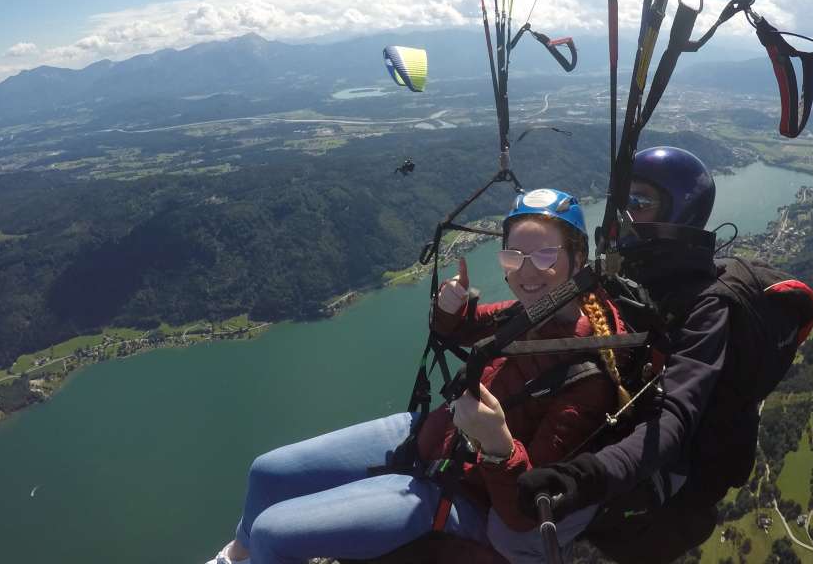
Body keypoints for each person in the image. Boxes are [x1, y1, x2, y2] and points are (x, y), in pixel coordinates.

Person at [205, 188, 631, 564]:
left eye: (544, 255)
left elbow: (525, 513)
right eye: (514, 256)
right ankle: (235, 558)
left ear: (578, 260)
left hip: (454, 493)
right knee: (266, 472)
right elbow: (467, 329)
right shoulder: (531, 313)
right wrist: (452, 309)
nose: (526, 271)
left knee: (273, 534)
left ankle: (257, 552)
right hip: (428, 436)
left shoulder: (586, 377)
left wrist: (499, 445)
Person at [517, 147, 752, 563]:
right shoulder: (627, 276)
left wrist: (587, 477)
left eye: (640, 202)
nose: (625, 214)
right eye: (622, 202)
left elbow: (675, 416)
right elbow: (546, 314)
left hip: (656, 474)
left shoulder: (704, 307)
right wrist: (459, 318)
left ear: (679, 211)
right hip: (609, 446)